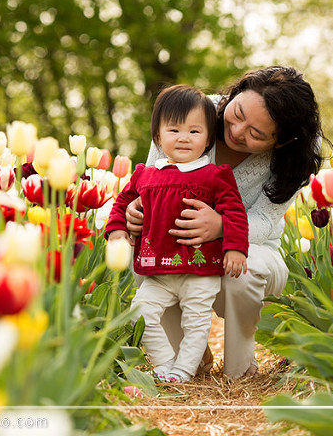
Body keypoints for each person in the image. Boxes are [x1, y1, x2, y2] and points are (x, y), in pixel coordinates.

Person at [125, 66, 325, 379]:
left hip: (254, 250)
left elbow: (263, 221)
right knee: (136, 250)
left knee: (246, 268)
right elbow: (151, 182)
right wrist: (136, 212)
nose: (237, 131)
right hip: (179, 248)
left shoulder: (297, 156)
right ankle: (187, 359)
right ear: (235, 92)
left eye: (256, 134)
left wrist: (221, 226)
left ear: (282, 142)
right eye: (238, 112)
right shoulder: (190, 112)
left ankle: (240, 372)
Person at [106, 85, 249, 383]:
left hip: (199, 270)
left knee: (196, 324)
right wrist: (117, 231)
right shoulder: (145, 173)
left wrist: (235, 248)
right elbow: (121, 203)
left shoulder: (215, 175)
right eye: (174, 129)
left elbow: (234, 213)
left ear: (209, 139)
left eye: (195, 132)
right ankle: (164, 364)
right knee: (139, 312)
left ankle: (182, 373)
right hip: (158, 271)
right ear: (158, 136)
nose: (184, 137)